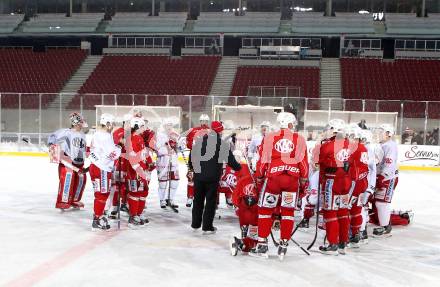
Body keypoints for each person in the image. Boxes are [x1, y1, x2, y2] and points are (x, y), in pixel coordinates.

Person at [250, 112, 308, 260]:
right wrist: (303, 180)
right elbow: (303, 163)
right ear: (291, 123)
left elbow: (263, 161)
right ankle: (283, 245)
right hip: (292, 180)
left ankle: (262, 244)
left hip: (273, 179)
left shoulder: (270, 137)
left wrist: (260, 176)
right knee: (288, 212)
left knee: (265, 210)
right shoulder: (299, 139)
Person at [189, 121, 241, 234]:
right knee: (210, 202)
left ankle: (195, 224)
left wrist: (192, 169)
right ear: (219, 131)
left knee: (197, 200)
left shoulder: (199, 140)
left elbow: (192, 156)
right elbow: (230, 160)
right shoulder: (220, 143)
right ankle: (207, 226)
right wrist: (239, 168)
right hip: (212, 178)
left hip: (199, 176)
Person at [318, 119, 353, 255]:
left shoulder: (327, 146)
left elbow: (321, 165)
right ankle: (343, 243)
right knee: (343, 212)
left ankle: (333, 243)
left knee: (330, 212)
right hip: (346, 181)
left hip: (332, 182)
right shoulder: (350, 145)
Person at [48, 112, 88, 210]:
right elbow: (52, 138)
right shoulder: (66, 132)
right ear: (75, 122)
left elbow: (82, 148)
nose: (82, 124)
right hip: (68, 163)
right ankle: (63, 201)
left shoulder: (82, 134)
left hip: (79, 163)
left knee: (81, 180)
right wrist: (51, 147)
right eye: (80, 122)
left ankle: (74, 199)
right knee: (68, 180)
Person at [89, 113, 122, 231]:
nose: (113, 126)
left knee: (101, 193)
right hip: (102, 169)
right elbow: (112, 154)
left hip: (95, 166)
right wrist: (119, 148)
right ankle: (97, 219)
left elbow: (91, 151)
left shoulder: (96, 134)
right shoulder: (106, 136)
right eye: (112, 124)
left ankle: (99, 215)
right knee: (102, 194)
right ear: (107, 124)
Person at [126, 117, 155, 228]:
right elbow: (132, 158)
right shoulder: (132, 139)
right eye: (143, 126)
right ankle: (133, 216)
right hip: (135, 172)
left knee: (143, 192)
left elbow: (144, 153)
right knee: (135, 193)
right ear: (137, 126)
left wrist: (149, 163)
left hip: (142, 171)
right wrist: (139, 169)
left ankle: (139, 213)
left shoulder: (140, 138)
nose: (145, 128)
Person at [371, 124, 399, 238]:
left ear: (389, 134)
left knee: (382, 203)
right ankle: (384, 224)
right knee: (378, 202)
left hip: (388, 178)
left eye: (381, 132)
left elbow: (389, 163)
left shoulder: (390, 145)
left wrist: (382, 176)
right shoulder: (382, 144)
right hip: (382, 177)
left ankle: (385, 227)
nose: (379, 134)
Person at [346, 124, 369, 248]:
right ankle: (355, 235)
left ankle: (345, 236)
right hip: (362, 183)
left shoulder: (353, 148)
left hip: (353, 184)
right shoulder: (363, 147)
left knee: (347, 210)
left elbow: (348, 167)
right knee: (356, 210)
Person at [184, 114, 210, 207]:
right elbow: (188, 143)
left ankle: (201, 197)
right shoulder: (193, 130)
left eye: (205, 121)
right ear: (200, 121)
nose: (204, 123)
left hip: (206, 158)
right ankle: (190, 197)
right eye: (202, 121)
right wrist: (193, 145)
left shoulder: (211, 132)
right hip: (194, 156)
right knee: (191, 177)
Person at [229, 173, 258, 256]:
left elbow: (235, 196)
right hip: (256, 213)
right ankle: (244, 242)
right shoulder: (265, 181)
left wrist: (237, 207)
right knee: (255, 237)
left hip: (243, 211)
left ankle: (244, 236)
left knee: (246, 227)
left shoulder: (243, 179)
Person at [156, 118, 180, 210]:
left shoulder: (175, 135)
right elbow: (157, 149)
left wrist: (178, 145)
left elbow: (180, 147)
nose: (169, 127)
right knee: (163, 183)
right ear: (164, 126)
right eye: (167, 125)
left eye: (170, 125)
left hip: (173, 162)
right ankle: (162, 200)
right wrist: (167, 150)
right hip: (163, 162)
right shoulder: (159, 136)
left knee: (175, 182)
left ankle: (171, 199)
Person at [110, 114, 131, 217]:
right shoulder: (119, 132)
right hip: (119, 162)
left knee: (125, 185)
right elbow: (115, 146)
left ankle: (123, 204)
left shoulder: (130, 133)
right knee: (118, 185)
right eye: (129, 122)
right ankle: (115, 206)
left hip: (126, 162)